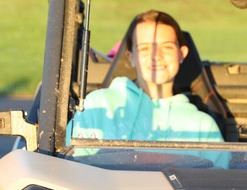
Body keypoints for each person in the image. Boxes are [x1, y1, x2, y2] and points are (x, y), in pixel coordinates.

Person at [67, 10, 223, 143]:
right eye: (145, 48)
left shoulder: (203, 128)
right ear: (131, 57)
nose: (156, 56)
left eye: (167, 47)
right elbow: (71, 165)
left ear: (182, 54)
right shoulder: (97, 106)